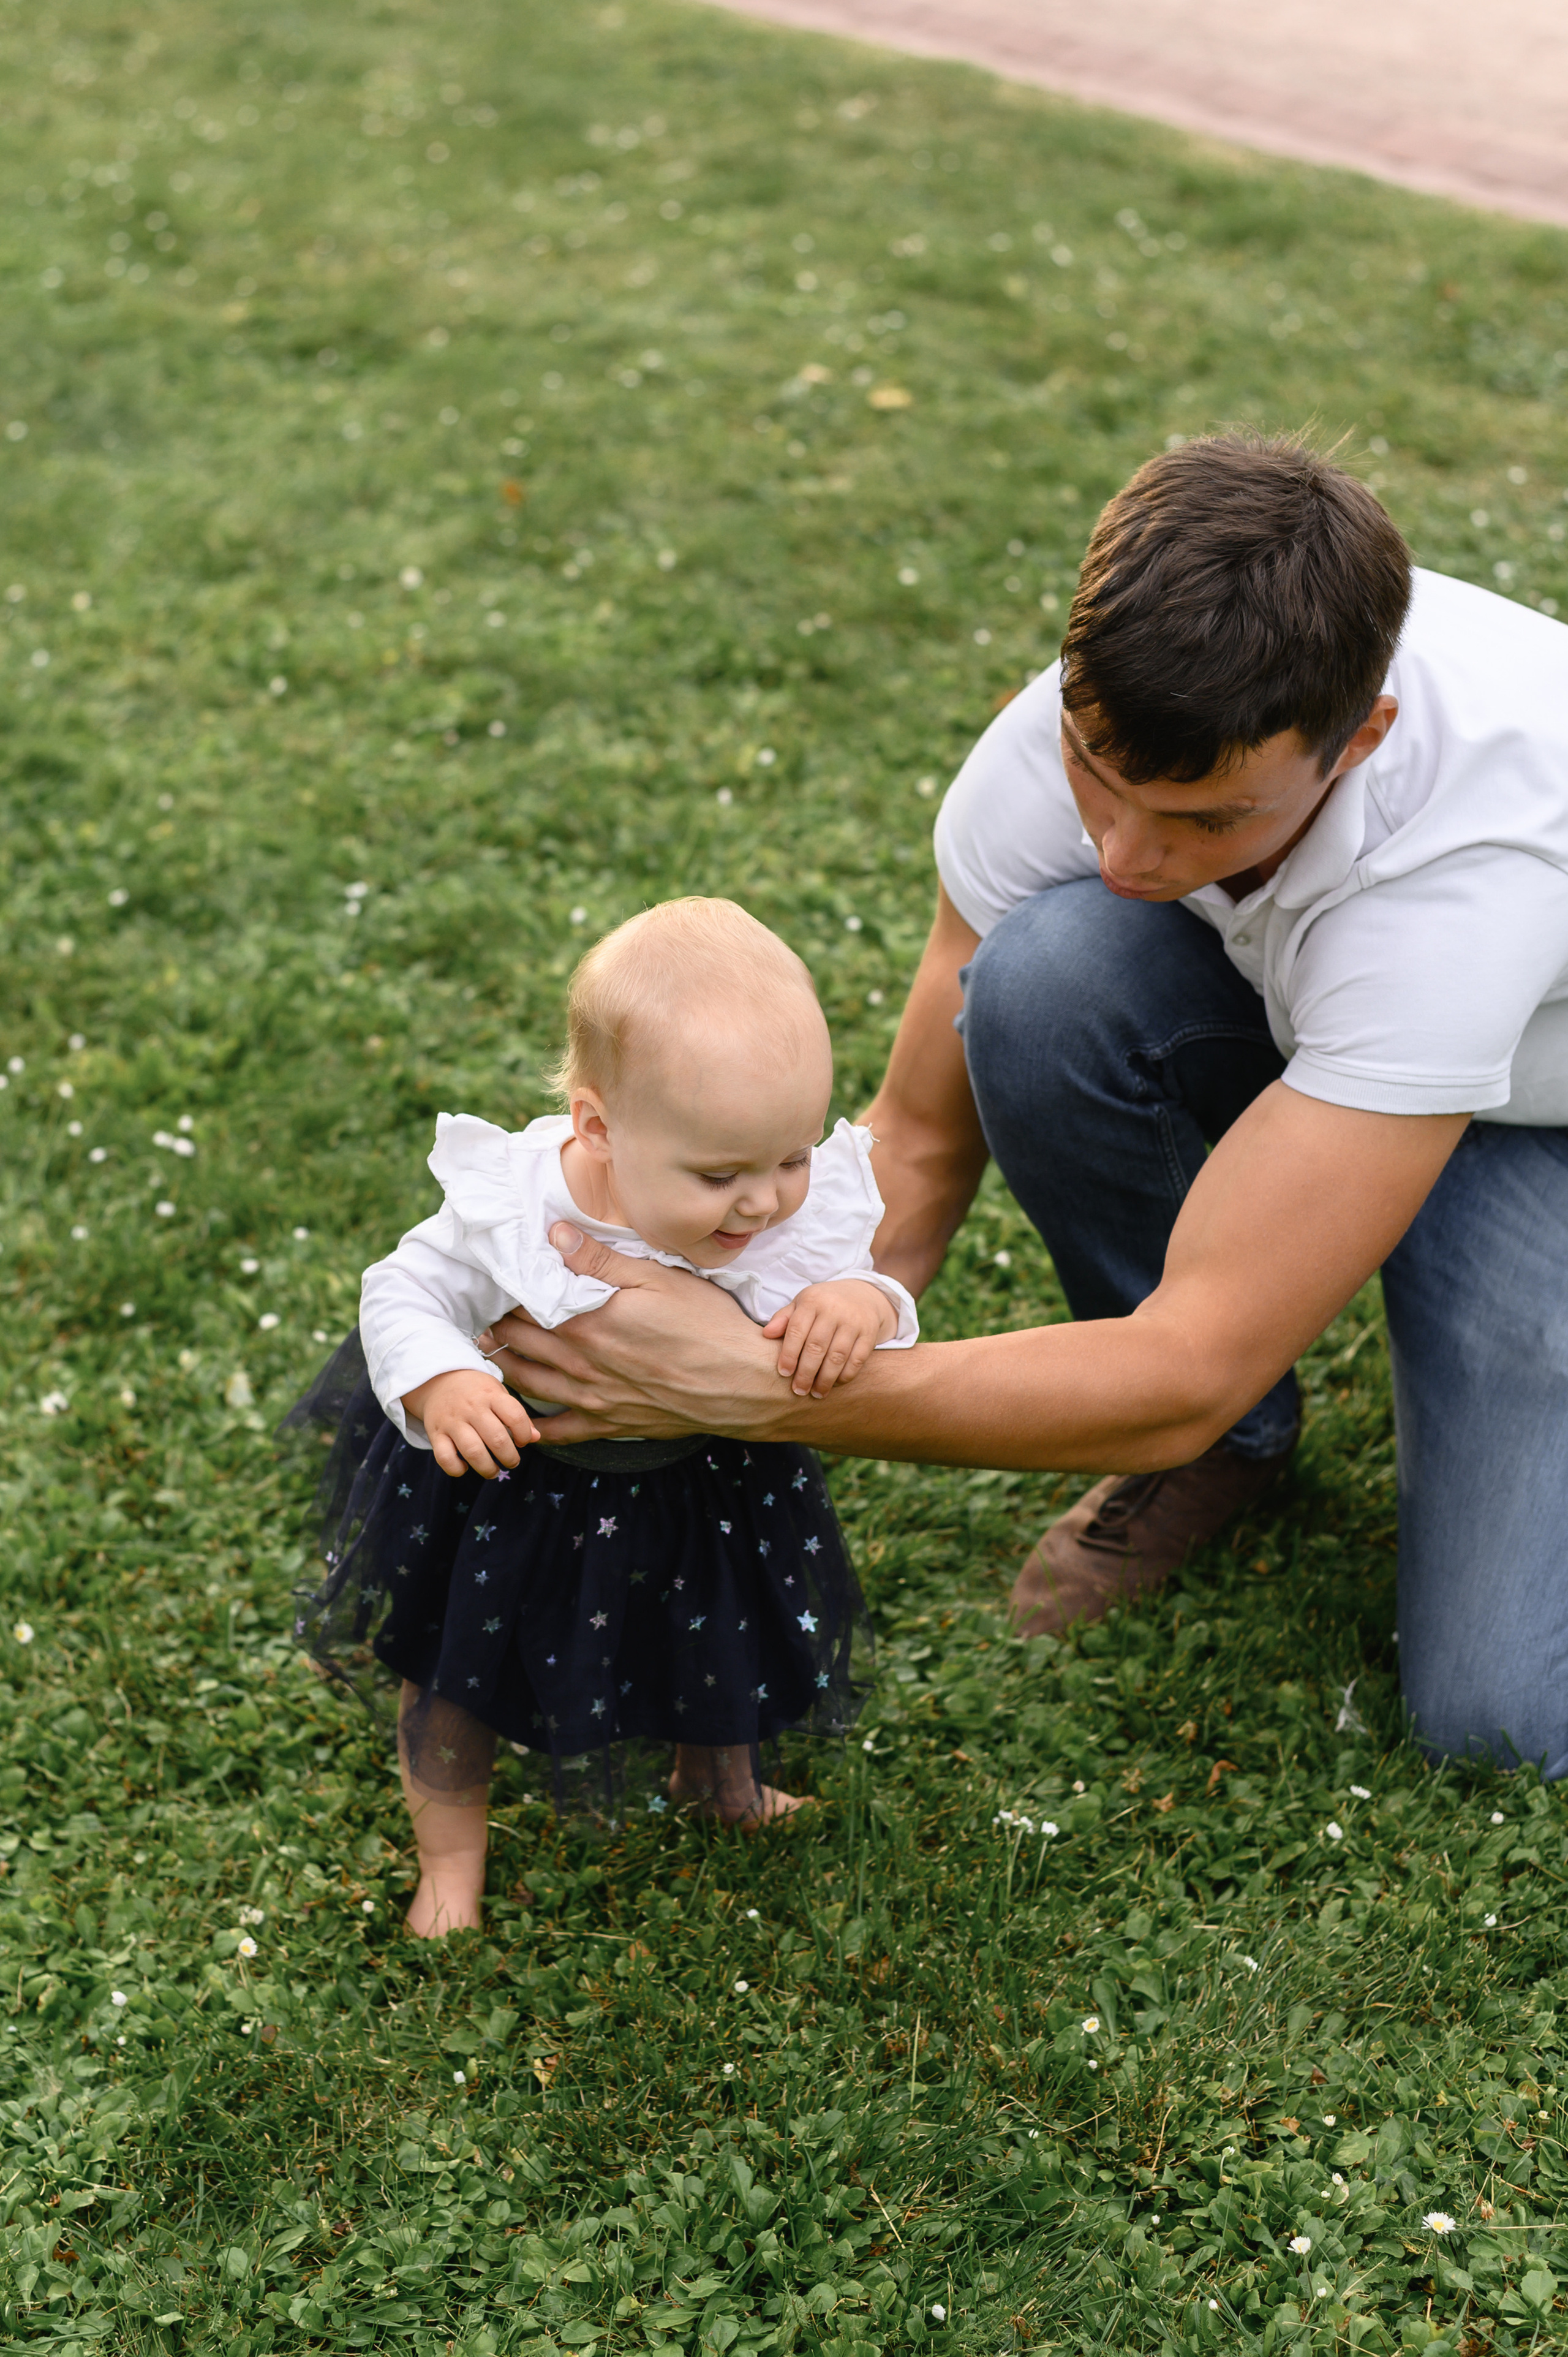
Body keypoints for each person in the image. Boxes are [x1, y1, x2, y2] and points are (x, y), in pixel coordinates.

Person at [475, 434, 1568, 1783]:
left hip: (1540, 1122)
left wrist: (756, 1395)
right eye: (1096, 773)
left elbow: (1190, 1363)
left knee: (1499, 1718)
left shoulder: (1469, 874)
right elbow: (919, 1148)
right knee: (1045, 972)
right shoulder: (1064, 739)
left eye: (1206, 821)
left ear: (1363, 741)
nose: (1125, 853)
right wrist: (707, 1323)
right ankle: (1226, 1457)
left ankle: (1296, 1344)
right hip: (1351, 1030)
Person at [290, 898, 916, 1936]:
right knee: (457, 1677)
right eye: (721, 1175)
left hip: (707, 1480)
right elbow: (404, 1290)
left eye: (794, 1157)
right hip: (516, 1481)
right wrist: (443, 1381)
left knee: (719, 1635)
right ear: (598, 1128)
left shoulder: (782, 1208)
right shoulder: (521, 1206)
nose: (765, 1203)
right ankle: (450, 1865)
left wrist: (863, 1302)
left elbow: (858, 1283)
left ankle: (718, 1783)